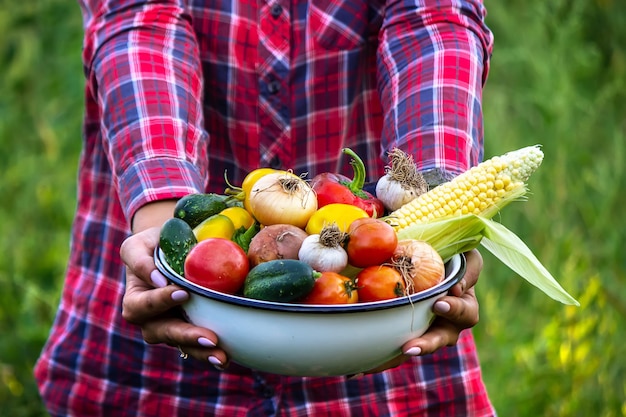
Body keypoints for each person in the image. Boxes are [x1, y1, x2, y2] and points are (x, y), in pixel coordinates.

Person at [35, 0, 495, 415]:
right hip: (151, 366)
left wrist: (434, 197)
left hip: (387, 313)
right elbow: (140, 21)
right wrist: (166, 230)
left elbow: (431, 19)